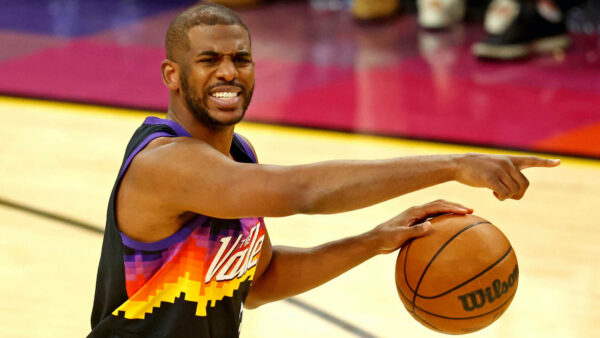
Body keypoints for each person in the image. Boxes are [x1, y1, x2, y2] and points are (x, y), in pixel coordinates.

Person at [88, 3, 560, 337]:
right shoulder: (165, 164)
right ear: (172, 75)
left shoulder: (238, 156)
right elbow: (302, 192)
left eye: (240, 59)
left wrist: (376, 240)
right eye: (209, 60)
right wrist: (455, 163)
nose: (228, 72)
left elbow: (260, 281)